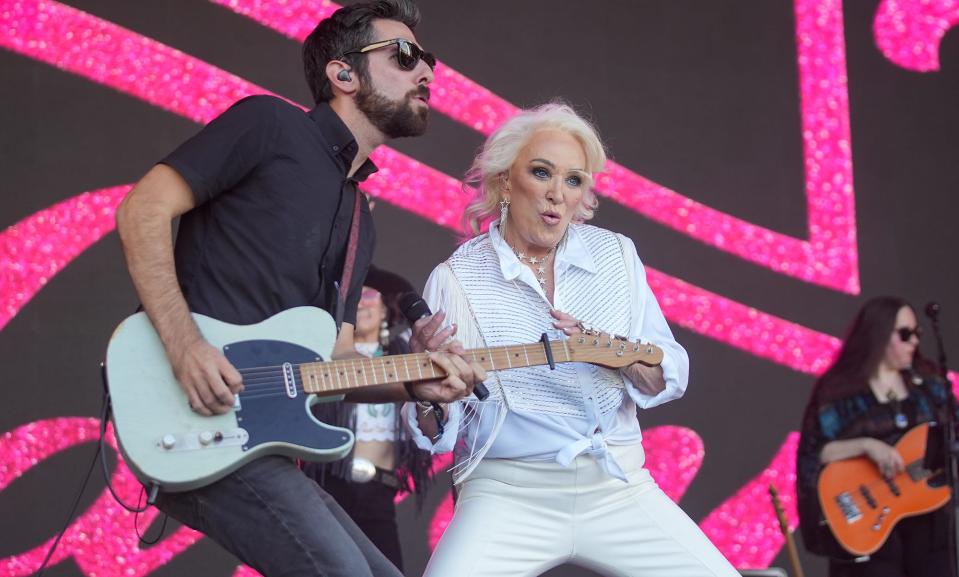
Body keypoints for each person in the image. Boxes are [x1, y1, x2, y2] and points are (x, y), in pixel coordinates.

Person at [113, 1, 485, 576]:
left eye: (427, 60)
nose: (427, 73)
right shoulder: (268, 125)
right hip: (191, 416)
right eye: (405, 56)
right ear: (342, 74)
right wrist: (186, 346)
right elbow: (143, 210)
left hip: (261, 444)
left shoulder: (362, 216)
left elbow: (331, 359)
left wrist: (412, 380)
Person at [404, 102, 740, 577]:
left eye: (574, 180)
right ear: (504, 180)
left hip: (617, 486)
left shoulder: (616, 255)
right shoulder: (457, 278)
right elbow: (440, 432)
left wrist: (608, 353)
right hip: (508, 492)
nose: (557, 195)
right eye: (542, 173)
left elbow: (669, 372)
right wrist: (425, 397)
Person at [797, 296, 955, 577]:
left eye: (916, 334)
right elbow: (814, 452)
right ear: (879, 334)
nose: (914, 342)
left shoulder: (928, 386)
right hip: (869, 524)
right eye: (905, 334)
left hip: (927, 522)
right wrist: (867, 446)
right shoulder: (840, 391)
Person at [304, 278, 435, 571]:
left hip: (379, 493)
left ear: (386, 308)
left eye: (369, 294)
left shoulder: (402, 354)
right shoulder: (321, 357)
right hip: (328, 486)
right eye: (354, 298)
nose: (361, 302)